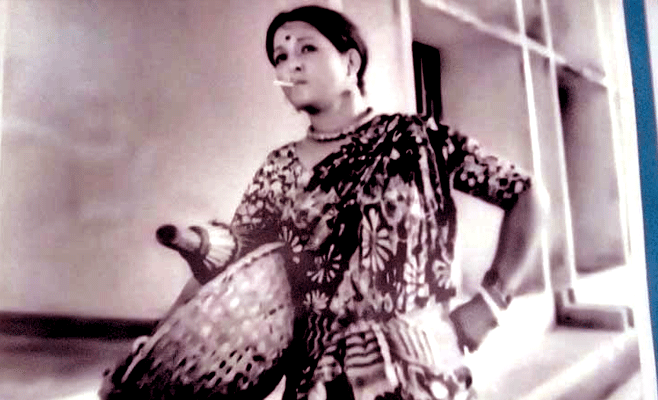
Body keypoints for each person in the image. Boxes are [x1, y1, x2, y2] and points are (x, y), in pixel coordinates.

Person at [170, 5, 547, 400]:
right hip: (319, 382)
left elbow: (527, 193)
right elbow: (233, 264)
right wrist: (164, 333)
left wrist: (492, 301)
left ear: (350, 62)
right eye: (280, 57)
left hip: (422, 374)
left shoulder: (417, 139)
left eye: (307, 49)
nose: (290, 65)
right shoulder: (278, 169)